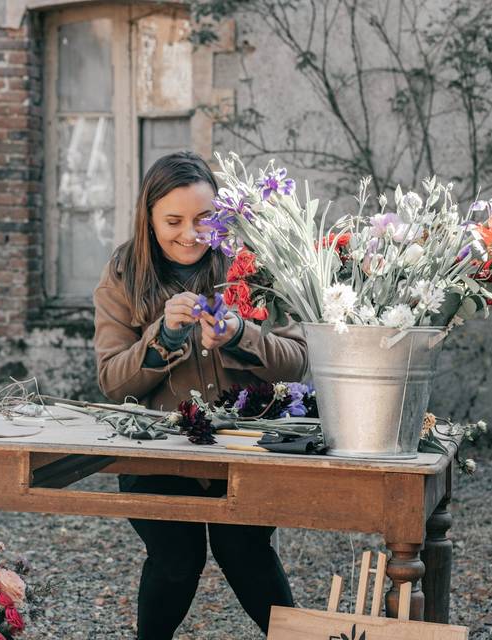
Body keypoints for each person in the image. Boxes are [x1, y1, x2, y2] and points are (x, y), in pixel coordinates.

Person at [92, 151, 309, 638]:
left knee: (245, 552)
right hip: (158, 455)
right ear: (148, 218)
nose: (190, 233)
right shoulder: (124, 274)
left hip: (246, 448)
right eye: (173, 220)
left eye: (204, 218)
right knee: (175, 559)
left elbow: (297, 359)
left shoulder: (251, 262)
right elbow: (112, 381)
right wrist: (163, 337)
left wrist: (238, 336)